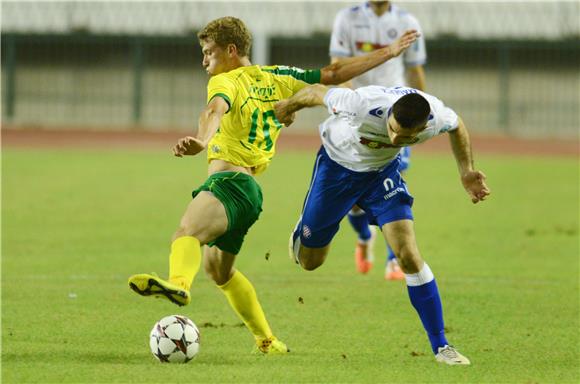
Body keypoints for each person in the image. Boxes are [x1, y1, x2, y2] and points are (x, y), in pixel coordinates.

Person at [127, 16, 420, 354]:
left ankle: (178, 283)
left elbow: (214, 110)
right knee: (220, 272)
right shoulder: (280, 77)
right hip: (250, 195)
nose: (204, 60)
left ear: (231, 51)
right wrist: (389, 52)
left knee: (185, 235)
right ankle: (266, 340)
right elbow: (334, 73)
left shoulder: (226, 81)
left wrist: (201, 140)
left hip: (229, 184)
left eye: (209, 52)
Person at [275, 84, 490, 364]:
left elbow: (457, 124)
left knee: (408, 255)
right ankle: (313, 224)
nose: (395, 137)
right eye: (392, 129)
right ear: (389, 114)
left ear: (423, 127)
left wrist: (466, 171)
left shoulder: (435, 116)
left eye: (405, 137)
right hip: (336, 169)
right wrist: (288, 107)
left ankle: (441, 346)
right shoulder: (361, 104)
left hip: (381, 176)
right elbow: (317, 92)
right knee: (310, 261)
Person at [330, 0, 427, 280]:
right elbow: (338, 68)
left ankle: (394, 260)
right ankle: (364, 237)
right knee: (355, 200)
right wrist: (352, 107)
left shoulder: (408, 22)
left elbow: (415, 71)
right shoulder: (346, 19)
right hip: (357, 115)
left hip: (395, 117)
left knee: (392, 187)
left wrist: (423, 112)